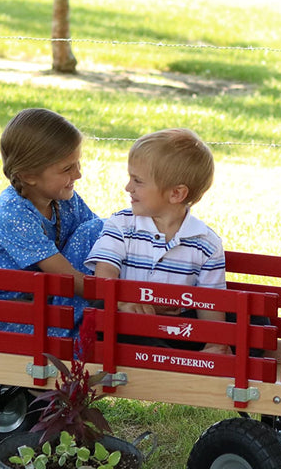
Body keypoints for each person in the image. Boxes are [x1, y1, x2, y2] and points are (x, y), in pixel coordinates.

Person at [0, 108, 104, 335]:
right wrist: (118, 298)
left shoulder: (63, 201)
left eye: (77, 163)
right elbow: (68, 280)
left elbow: (102, 237)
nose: (78, 174)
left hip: (33, 305)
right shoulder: (11, 214)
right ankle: (70, 339)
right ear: (29, 176)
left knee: (97, 230)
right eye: (67, 168)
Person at [85, 128, 230, 354]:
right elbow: (104, 274)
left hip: (177, 330)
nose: (128, 187)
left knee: (250, 319)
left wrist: (215, 342)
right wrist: (122, 303)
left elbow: (210, 303)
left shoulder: (205, 243)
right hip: (125, 326)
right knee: (113, 316)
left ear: (176, 194)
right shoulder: (122, 225)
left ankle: (191, 355)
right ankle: (175, 360)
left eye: (138, 181)